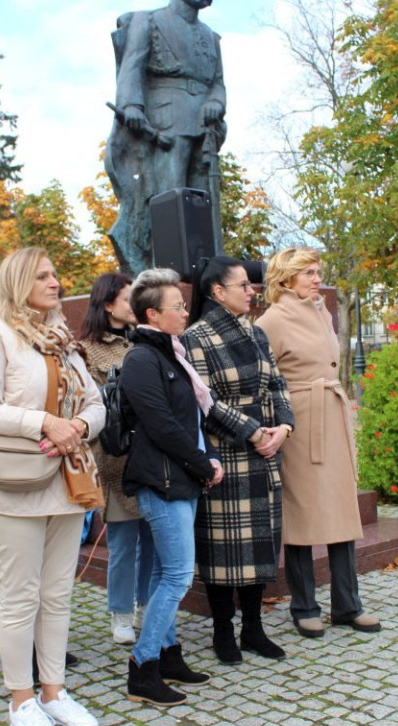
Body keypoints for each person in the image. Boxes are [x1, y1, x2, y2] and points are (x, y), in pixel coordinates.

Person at [0, 247, 105, 726]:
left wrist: (83, 425)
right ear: (19, 281)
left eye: (55, 273)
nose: (55, 281)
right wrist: (44, 421)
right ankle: (20, 699)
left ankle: (53, 691)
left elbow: (95, 401)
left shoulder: (63, 342)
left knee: (57, 594)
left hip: (66, 482)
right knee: (20, 598)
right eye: (43, 275)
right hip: (13, 485)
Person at [255, 247, 381, 639]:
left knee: (342, 511)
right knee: (302, 515)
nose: (316, 278)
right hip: (299, 422)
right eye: (307, 272)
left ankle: (347, 604)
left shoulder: (321, 310)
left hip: (332, 412)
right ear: (285, 278)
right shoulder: (270, 321)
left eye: (317, 271)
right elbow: (264, 381)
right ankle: (304, 605)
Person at [182, 257, 293, 664]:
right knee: (222, 551)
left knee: (259, 546)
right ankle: (222, 631)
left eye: (251, 284)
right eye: (243, 285)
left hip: (265, 451)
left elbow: (277, 383)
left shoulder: (255, 332)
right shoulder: (196, 338)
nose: (252, 291)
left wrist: (283, 428)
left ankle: (254, 629)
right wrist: (253, 431)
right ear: (217, 292)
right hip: (225, 453)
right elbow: (205, 401)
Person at [121, 267, 221, 706]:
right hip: (163, 480)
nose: (184, 311)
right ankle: (143, 667)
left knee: (166, 571)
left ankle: (168, 654)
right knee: (179, 574)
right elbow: (161, 425)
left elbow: (189, 418)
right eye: (176, 307)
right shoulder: (142, 359)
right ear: (152, 314)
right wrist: (202, 463)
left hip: (181, 477)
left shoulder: (171, 354)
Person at [105, 0, 226, 274]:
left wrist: (216, 104)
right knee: (170, 198)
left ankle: (204, 269)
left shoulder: (211, 37)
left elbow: (218, 84)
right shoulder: (148, 21)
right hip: (166, 121)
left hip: (206, 127)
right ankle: (170, 269)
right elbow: (132, 66)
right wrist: (132, 105)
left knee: (202, 201)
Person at [78, 273, 155, 645]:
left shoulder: (146, 338)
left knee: (153, 537)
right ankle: (120, 612)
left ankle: (145, 606)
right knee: (124, 540)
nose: (135, 305)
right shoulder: (88, 350)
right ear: (109, 304)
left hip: (155, 455)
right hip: (118, 457)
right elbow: (91, 407)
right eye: (128, 298)